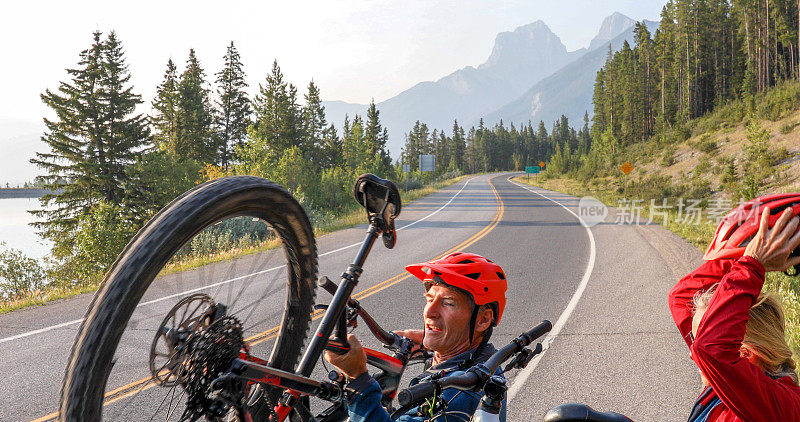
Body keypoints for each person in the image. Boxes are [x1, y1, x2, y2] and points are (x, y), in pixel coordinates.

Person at [324, 252, 508, 422]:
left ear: (483, 320)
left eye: (448, 303)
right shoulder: (485, 362)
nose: (429, 311)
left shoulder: (460, 391)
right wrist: (435, 345)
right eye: (429, 299)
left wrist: (358, 379)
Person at [669, 196, 800, 421]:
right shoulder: (731, 382)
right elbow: (682, 298)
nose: (693, 353)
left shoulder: (781, 406)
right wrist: (745, 254)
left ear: (747, 353)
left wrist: (752, 265)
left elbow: (711, 350)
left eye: (703, 336)